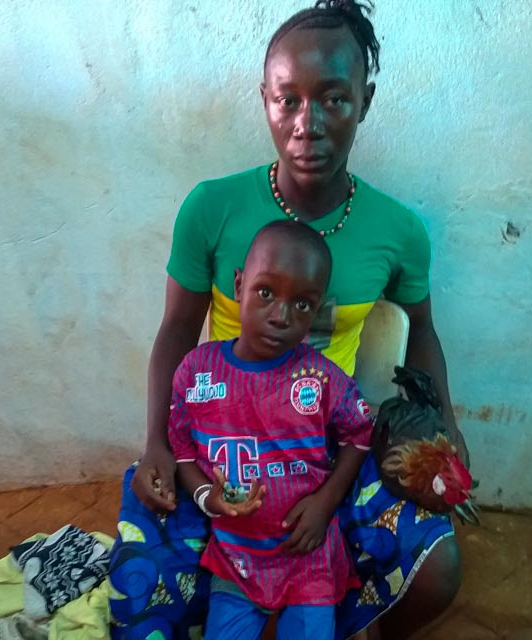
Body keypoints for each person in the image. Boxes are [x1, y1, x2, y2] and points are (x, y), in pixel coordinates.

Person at [109, 1, 468, 639]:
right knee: (143, 582)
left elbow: (424, 332)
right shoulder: (212, 208)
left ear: (365, 100)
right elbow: (175, 332)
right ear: (266, 100)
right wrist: (159, 444)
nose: (309, 125)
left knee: (437, 568)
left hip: (330, 455)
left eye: (334, 99)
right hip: (216, 454)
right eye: (287, 101)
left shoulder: (398, 231)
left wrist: (445, 426)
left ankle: (349, 619)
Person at [168, 220, 372, 640]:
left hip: (309, 554)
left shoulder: (321, 378)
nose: (281, 316)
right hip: (236, 558)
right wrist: (210, 498)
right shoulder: (196, 372)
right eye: (265, 293)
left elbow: (359, 435)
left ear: (317, 312)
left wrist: (325, 502)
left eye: (302, 305)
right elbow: (184, 453)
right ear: (239, 286)